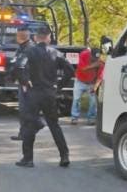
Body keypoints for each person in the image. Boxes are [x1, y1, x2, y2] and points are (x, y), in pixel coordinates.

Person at [17, 24, 71, 168]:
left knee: (29, 125)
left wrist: (24, 81)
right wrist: (59, 85)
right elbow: (70, 70)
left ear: (35, 38)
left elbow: (20, 66)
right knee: (54, 125)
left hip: (33, 92)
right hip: (49, 93)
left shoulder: (29, 52)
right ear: (49, 38)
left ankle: (28, 159)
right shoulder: (56, 53)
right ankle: (64, 155)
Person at [10, 25, 44, 141]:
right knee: (26, 110)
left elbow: (22, 66)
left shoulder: (28, 49)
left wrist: (24, 81)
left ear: (19, 36)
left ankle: (35, 125)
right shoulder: (25, 47)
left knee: (26, 110)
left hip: (28, 84)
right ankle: (24, 132)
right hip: (28, 82)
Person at [70, 42, 102, 125]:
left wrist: (95, 87)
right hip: (80, 81)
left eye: (97, 59)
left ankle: (91, 118)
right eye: (93, 58)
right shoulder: (84, 54)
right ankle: (74, 117)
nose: (95, 60)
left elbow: (100, 77)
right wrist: (94, 65)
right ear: (90, 54)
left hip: (92, 83)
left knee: (93, 101)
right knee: (76, 99)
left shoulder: (101, 62)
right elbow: (82, 68)